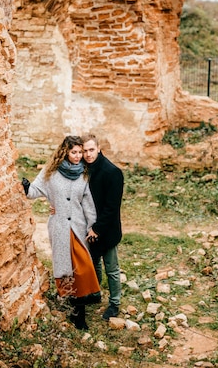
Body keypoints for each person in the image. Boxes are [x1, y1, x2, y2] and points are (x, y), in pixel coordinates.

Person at [21, 135, 100, 330]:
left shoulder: (84, 174)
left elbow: (88, 203)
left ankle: (80, 313)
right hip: (59, 227)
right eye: (74, 152)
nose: (78, 156)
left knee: (81, 268)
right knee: (64, 268)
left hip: (78, 228)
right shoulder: (51, 172)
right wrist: (25, 187)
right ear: (65, 152)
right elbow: (34, 191)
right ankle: (70, 308)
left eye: (80, 152)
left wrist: (92, 226)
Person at [81, 134, 124, 321]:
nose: (88, 154)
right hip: (89, 226)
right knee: (93, 262)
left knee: (111, 268)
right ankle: (95, 293)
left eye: (91, 150)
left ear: (98, 148)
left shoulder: (112, 172)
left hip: (106, 229)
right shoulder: (83, 169)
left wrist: (97, 229)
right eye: (84, 151)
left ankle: (115, 303)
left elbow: (111, 207)